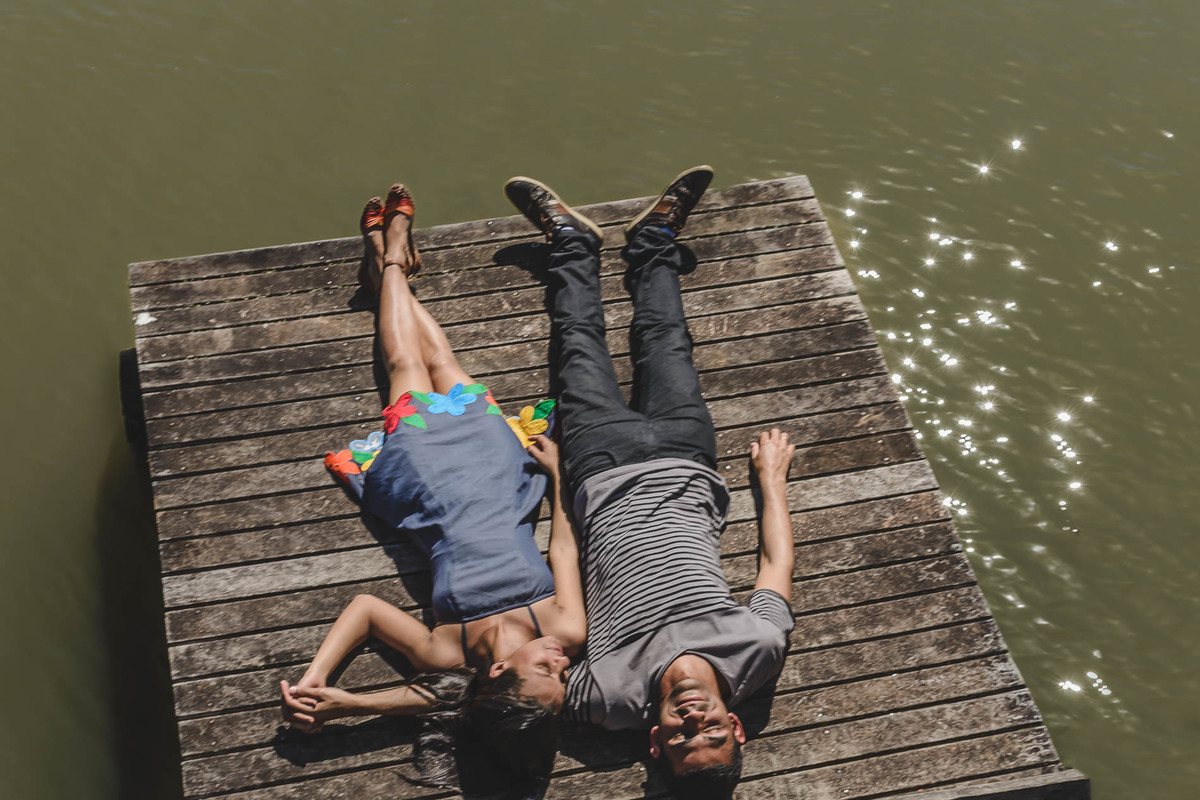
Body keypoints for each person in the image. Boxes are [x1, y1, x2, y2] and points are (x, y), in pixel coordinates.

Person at [279, 184, 586, 795]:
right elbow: (563, 550)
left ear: (499, 672)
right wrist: (556, 479)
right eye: (563, 676)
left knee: (406, 369)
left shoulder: (447, 654)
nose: (564, 665)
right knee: (442, 361)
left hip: (430, 488)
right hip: (497, 479)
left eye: (548, 673)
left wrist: (319, 682)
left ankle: (391, 260)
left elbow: (366, 611)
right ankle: (388, 269)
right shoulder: (565, 628)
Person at [504, 167, 796, 799]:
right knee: (666, 340)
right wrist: (771, 480)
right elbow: (775, 564)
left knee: (577, 343)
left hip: (598, 468)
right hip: (688, 458)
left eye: (683, 739)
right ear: (736, 727)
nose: (694, 721)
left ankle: (572, 244)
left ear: (656, 743)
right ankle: (654, 240)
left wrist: (348, 705)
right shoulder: (758, 651)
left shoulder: (604, 698)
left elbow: (498, 699)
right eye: (712, 732)